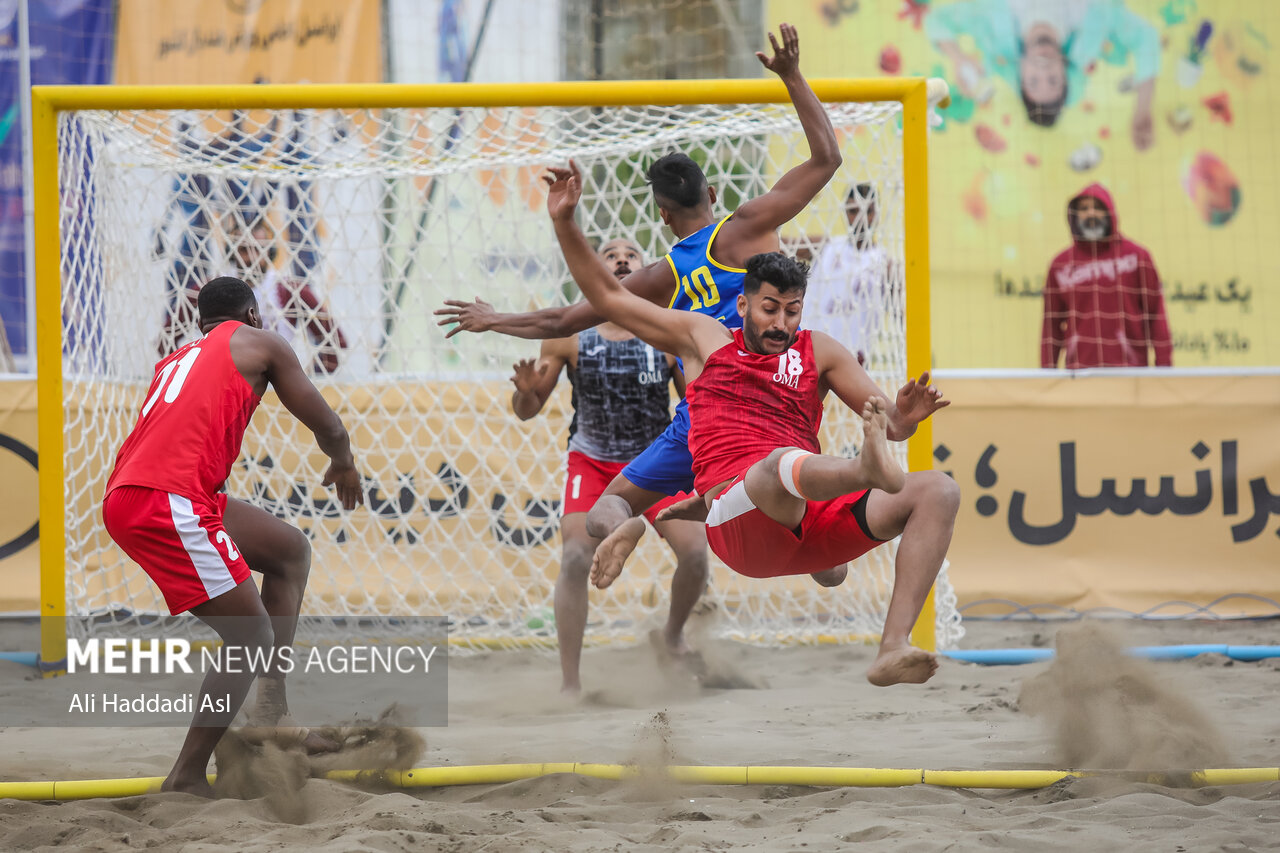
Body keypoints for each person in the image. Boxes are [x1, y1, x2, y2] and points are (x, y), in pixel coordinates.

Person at [436, 22, 849, 586]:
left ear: (661, 216)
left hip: (705, 414)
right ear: (711, 195)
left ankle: (633, 522)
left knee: (609, 510)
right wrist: (792, 77)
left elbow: (566, 317)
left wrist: (493, 319)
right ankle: (689, 520)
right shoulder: (750, 223)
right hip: (777, 399)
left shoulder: (661, 277)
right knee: (830, 570)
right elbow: (827, 158)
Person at [545, 162, 958, 687]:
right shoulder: (704, 339)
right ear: (742, 305)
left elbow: (892, 426)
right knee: (774, 466)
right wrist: (565, 223)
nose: (781, 324)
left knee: (939, 491)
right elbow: (608, 299)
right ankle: (863, 472)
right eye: (768, 310)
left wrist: (905, 416)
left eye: (792, 311)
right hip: (739, 521)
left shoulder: (822, 351)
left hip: (804, 513)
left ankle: (892, 645)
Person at [101, 276, 363, 796]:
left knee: (289, 551)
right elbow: (328, 425)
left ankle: (272, 713)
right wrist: (345, 464)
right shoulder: (259, 341)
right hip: (166, 499)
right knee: (250, 636)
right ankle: (186, 776)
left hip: (145, 492)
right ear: (251, 315)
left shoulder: (176, 359)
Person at [511, 238, 710, 692]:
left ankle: (673, 636)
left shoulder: (667, 332)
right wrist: (525, 392)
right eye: (610, 253)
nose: (621, 258)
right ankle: (570, 683)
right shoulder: (568, 335)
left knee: (697, 555)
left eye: (631, 254)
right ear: (594, 272)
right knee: (576, 556)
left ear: (644, 271)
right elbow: (528, 410)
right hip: (594, 461)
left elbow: (696, 405)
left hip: (655, 463)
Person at [927, 0, 1159, 148]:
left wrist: (958, 58)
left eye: (1034, 81)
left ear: (1020, 70)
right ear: (1065, 68)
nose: (1044, 69)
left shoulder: (992, 15)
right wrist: (1143, 109)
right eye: (1053, 80)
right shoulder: (1094, 16)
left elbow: (935, 20)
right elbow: (1146, 38)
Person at [1040, 183, 1172, 369]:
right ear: (1074, 216)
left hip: (1130, 371)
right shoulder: (1060, 265)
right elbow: (1051, 325)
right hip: (1079, 374)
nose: (1091, 213)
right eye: (1084, 208)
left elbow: (1156, 314)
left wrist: (1164, 368)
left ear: (1110, 212)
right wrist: (1047, 373)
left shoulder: (1137, 257)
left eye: (1098, 207)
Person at [231, 220, 349, 375]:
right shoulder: (209, 288)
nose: (252, 257)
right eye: (244, 249)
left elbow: (335, 341)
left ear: (270, 252)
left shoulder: (290, 290)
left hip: (273, 386)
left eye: (259, 249)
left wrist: (311, 376)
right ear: (232, 251)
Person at [804, 183, 891, 365]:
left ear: (876, 213)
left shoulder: (885, 264)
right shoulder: (824, 246)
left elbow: (901, 316)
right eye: (853, 210)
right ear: (844, 211)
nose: (860, 217)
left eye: (867, 211)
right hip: (808, 351)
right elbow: (778, 243)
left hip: (852, 359)